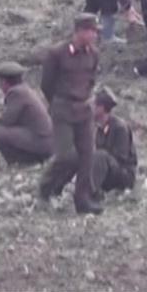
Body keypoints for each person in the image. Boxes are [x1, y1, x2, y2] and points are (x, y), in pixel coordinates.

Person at [37, 13, 103, 215]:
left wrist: (86, 98)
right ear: (79, 31)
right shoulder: (57, 53)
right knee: (66, 156)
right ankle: (46, 188)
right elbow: (46, 83)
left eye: (95, 32)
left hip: (84, 110)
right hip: (63, 109)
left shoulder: (93, 54)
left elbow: (91, 78)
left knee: (87, 156)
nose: (93, 36)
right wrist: (58, 102)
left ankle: (82, 200)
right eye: (90, 31)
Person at [0, 62, 54, 166]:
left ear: (5, 82)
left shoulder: (16, 93)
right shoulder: (24, 90)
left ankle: (18, 162)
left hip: (41, 142)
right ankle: (29, 161)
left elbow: (8, 120)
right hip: (46, 142)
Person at [91, 87, 137, 200]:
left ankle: (92, 193)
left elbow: (121, 158)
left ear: (101, 108)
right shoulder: (99, 128)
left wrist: (99, 159)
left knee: (100, 155)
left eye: (93, 105)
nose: (90, 108)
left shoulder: (119, 127)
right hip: (109, 170)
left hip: (124, 175)